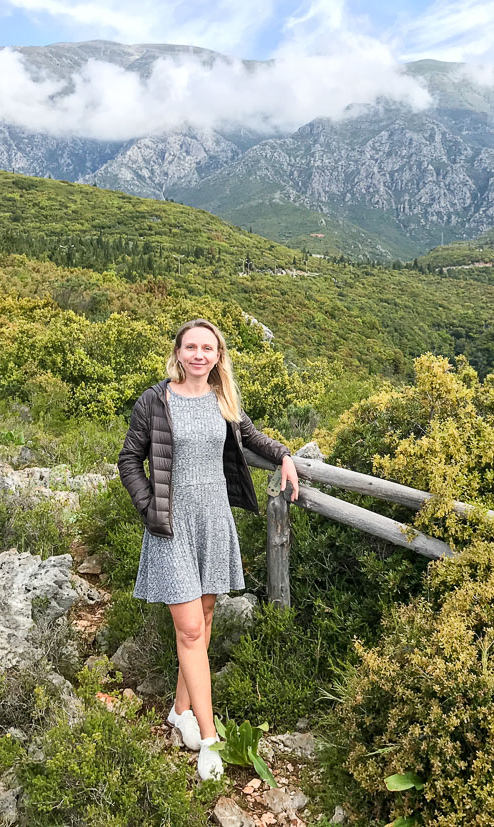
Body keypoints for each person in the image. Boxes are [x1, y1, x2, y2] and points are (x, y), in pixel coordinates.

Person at [118, 318, 300, 781]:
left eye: (208, 348)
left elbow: (251, 437)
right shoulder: (155, 401)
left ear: (218, 356)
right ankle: (210, 738)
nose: (199, 355)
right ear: (178, 353)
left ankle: (181, 711)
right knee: (191, 630)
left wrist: (284, 455)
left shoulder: (223, 398)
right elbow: (129, 459)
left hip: (215, 519)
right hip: (171, 525)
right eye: (191, 347)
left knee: (205, 616)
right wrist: (150, 508)